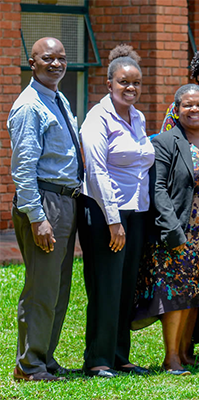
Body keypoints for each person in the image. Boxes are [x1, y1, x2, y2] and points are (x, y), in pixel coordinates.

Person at [136, 84, 199, 375]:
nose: (195, 109)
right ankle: (171, 356)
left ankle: (186, 353)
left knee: (196, 293)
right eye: (187, 105)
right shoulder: (165, 141)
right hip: (182, 229)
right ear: (176, 109)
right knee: (176, 295)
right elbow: (158, 188)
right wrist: (172, 229)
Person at [77, 44, 153, 378]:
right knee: (106, 285)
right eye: (124, 82)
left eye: (136, 83)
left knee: (125, 285)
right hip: (105, 213)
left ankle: (120, 355)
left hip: (136, 212)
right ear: (109, 83)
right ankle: (98, 358)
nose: (131, 88)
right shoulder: (98, 118)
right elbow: (96, 172)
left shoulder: (137, 117)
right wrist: (113, 221)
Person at [9, 37, 81, 382]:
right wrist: (38, 218)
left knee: (58, 287)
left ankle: (45, 358)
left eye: (61, 58)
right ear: (32, 63)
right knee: (41, 289)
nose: (56, 64)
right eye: (48, 59)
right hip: (45, 202)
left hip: (66, 200)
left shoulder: (57, 97)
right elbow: (23, 169)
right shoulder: (29, 106)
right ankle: (29, 365)